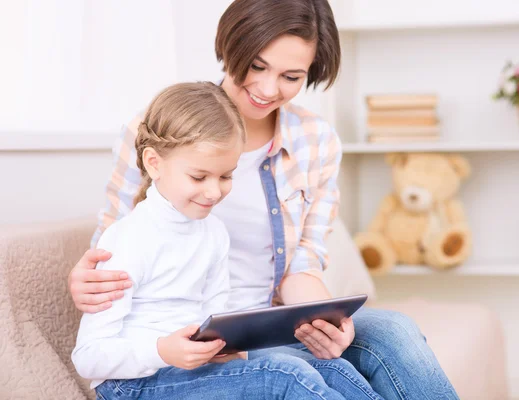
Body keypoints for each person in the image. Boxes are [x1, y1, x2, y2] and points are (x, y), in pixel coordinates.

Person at [68, 1, 459, 398]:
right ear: (231, 46)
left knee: (394, 332)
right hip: (179, 340)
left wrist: (324, 321)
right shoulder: (157, 128)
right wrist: (87, 277)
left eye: (291, 76)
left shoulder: (315, 140)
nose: (269, 89)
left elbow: (304, 262)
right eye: (257, 66)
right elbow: (114, 238)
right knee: (293, 374)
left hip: (266, 323)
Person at [72, 81, 354, 400]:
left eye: (225, 176)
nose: (213, 192)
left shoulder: (214, 232)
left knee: (333, 369)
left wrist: (225, 348)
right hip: (132, 383)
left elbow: (216, 316)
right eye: (199, 177)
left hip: (194, 372)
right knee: (286, 376)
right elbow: (88, 357)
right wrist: (161, 351)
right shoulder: (126, 239)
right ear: (154, 163)